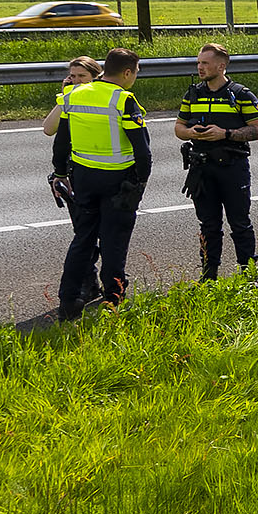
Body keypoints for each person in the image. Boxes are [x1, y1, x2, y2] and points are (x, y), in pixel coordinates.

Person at [52, 47, 152, 320]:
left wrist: (60, 173)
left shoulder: (73, 95)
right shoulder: (123, 100)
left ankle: (69, 299)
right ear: (128, 72)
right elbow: (142, 151)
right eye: (136, 72)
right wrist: (140, 183)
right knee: (114, 239)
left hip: (83, 178)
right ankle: (113, 297)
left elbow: (60, 141)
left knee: (83, 239)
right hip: (117, 180)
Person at [176, 43, 258, 279]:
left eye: (205, 63)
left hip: (232, 167)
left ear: (221, 66)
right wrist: (191, 133)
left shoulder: (241, 95)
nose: (200, 67)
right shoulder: (193, 93)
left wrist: (225, 134)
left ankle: (249, 277)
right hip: (202, 169)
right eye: (198, 63)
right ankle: (208, 277)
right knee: (208, 225)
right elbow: (178, 127)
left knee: (240, 223)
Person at [42, 56, 103, 135]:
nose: (77, 81)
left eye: (81, 76)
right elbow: (48, 130)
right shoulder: (69, 99)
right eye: (73, 76)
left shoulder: (102, 98)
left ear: (96, 77)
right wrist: (65, 96)